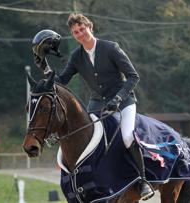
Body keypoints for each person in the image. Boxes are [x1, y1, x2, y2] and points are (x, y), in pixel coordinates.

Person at [32, 13, 154, 200]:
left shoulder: (111, 48)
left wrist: (119, 98)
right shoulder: (76, 56)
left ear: (90, 27)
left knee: (127, 137)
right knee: (85, 139)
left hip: (124, 101)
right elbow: (61, 82)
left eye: (81, 29)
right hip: (97, 103)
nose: (80, 34)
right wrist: (44, 67)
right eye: (75, 32)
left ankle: (143, 181)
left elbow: (133, 76)